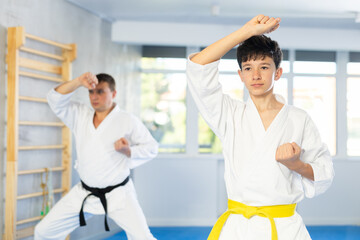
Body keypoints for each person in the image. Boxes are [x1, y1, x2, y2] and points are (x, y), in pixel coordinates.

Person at [186, 15, 334, 240]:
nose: (255, 75)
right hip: (238, 227)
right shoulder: (229, 113)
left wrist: (296, 164)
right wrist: (245, 32)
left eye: (264, 67)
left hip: (283, 226)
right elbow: (198, 66)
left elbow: (324, 173)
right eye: (247, 68)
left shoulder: (299, 119)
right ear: (240, 75)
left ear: (277, 73)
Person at [34, 73, 158, 240]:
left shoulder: (127, 120)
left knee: (143, 237)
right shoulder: (80, 114)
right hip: (84, 192)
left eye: (100, 92)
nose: (94, 96)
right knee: (43, 231)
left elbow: (152, 148)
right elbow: (54, 98)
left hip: (119, 194)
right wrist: (78, 81)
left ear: (113, 94)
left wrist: (128, 151)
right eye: (91, 92)